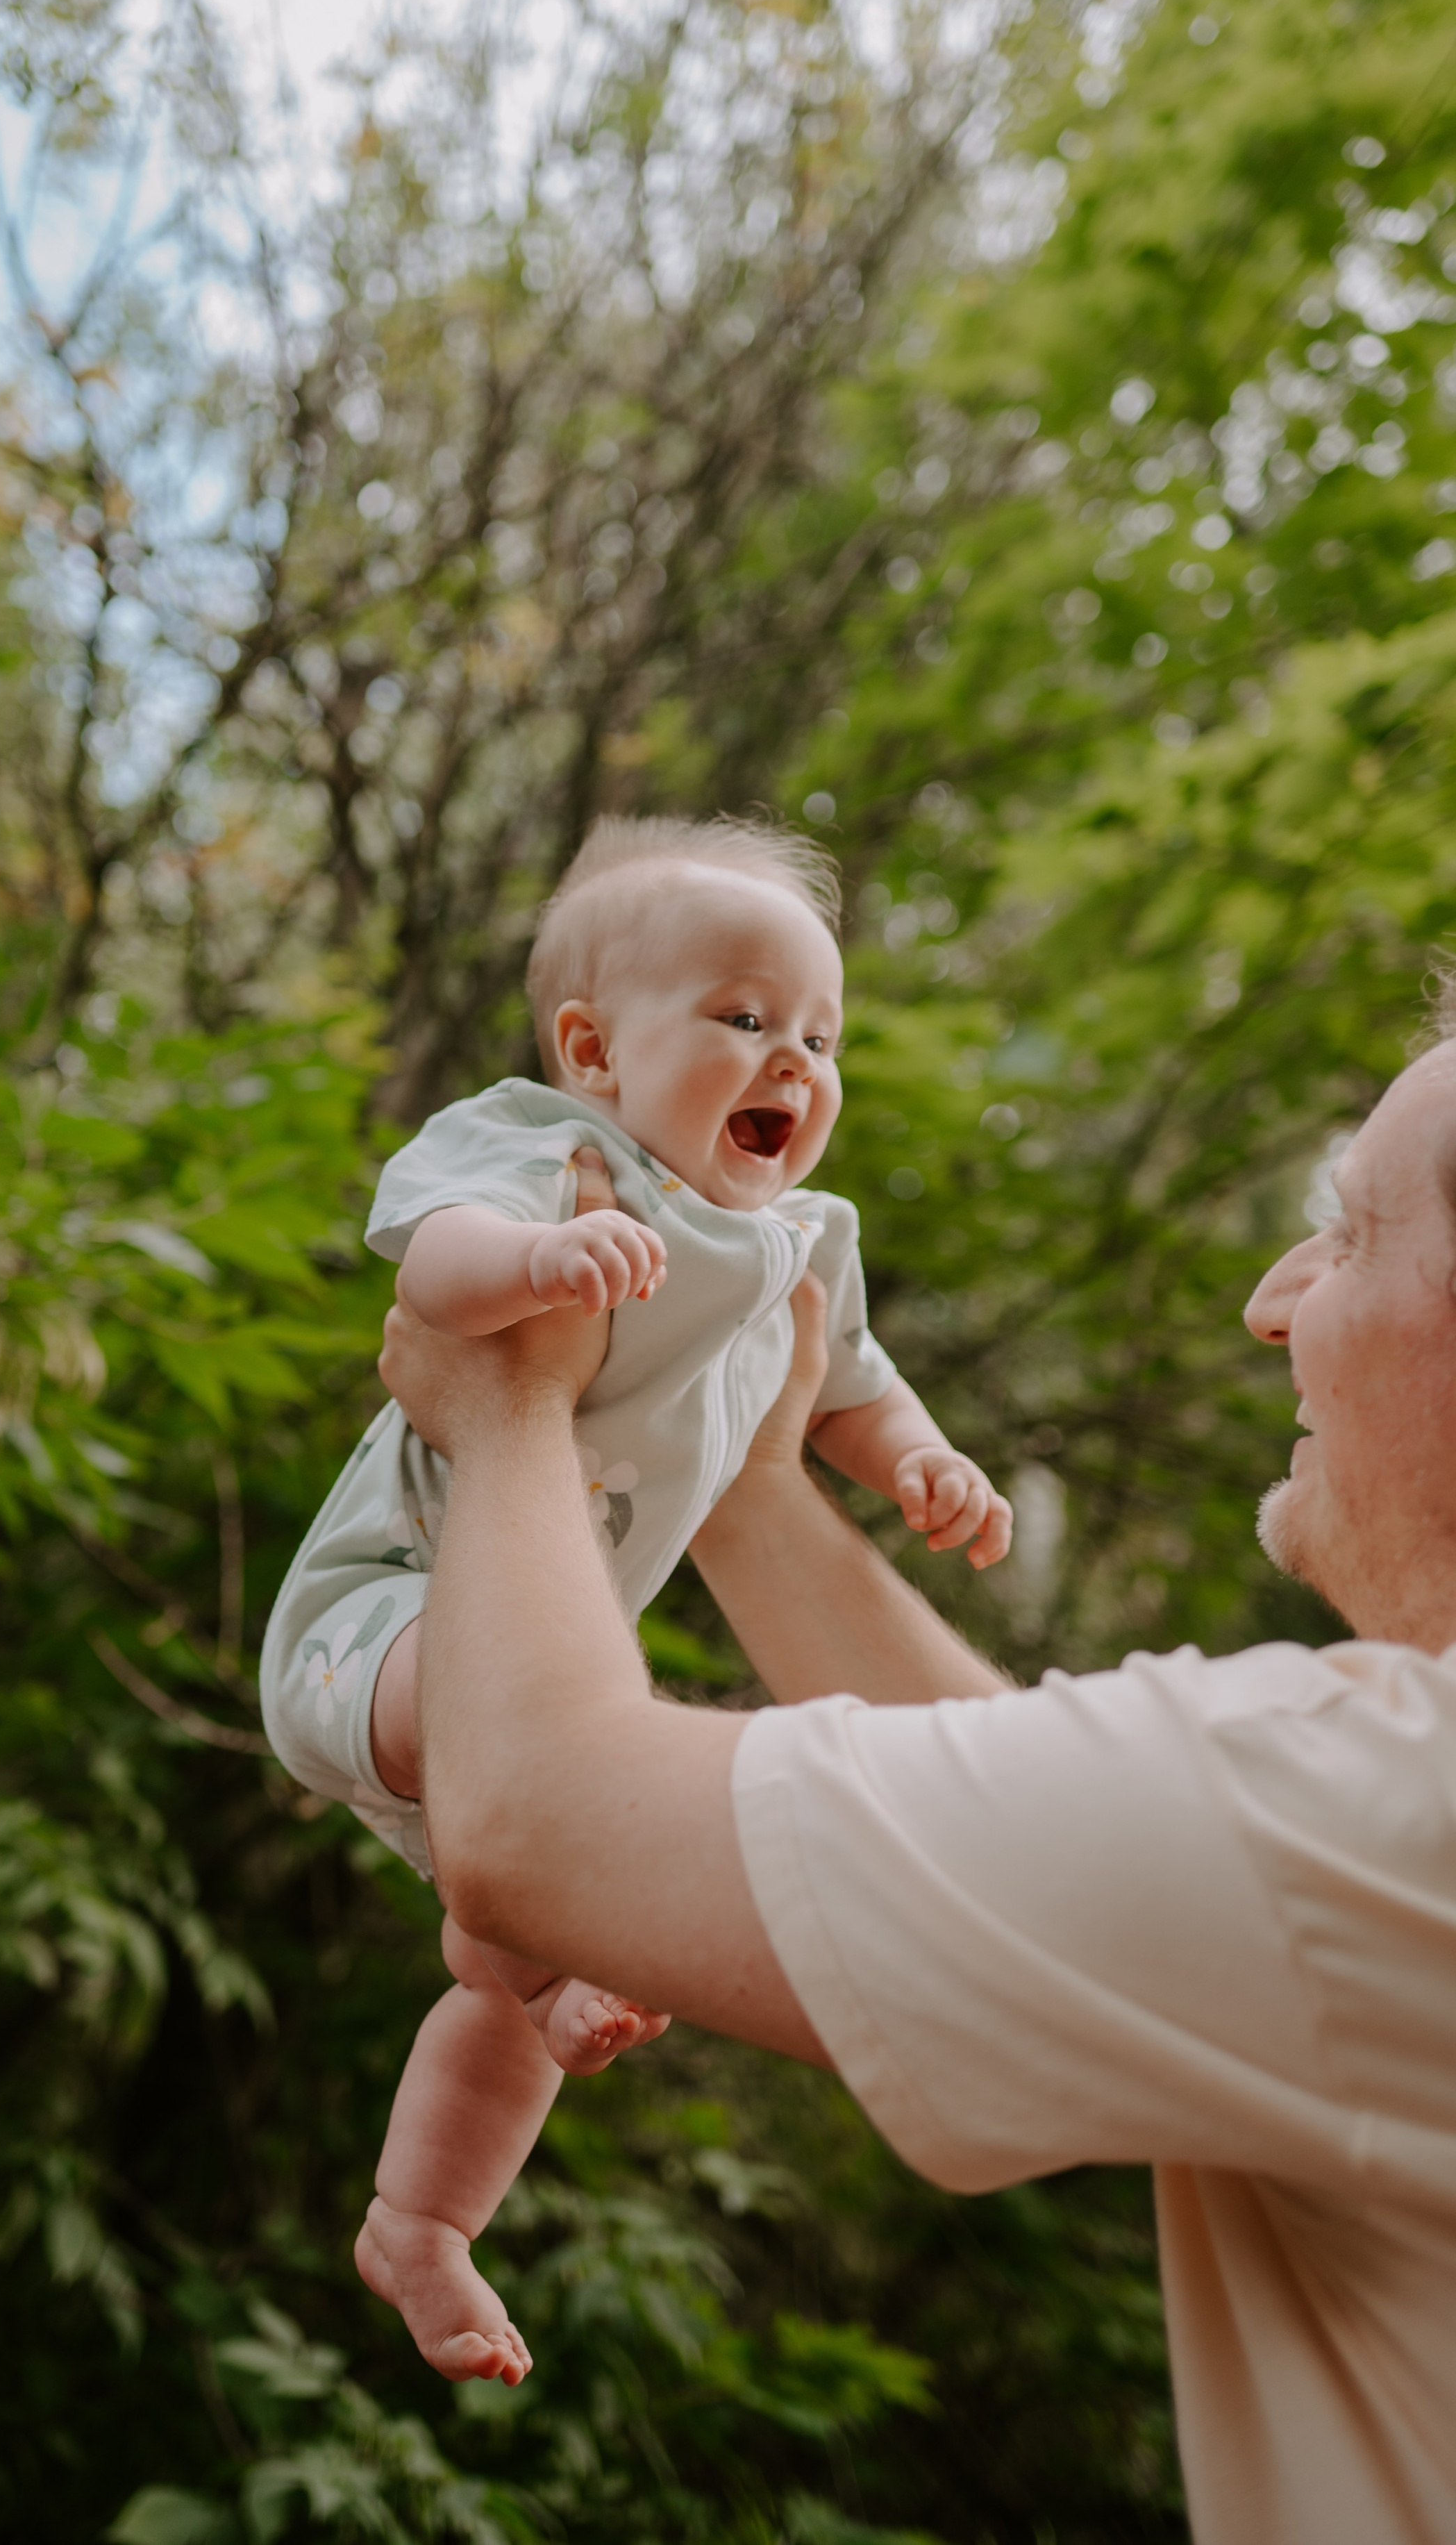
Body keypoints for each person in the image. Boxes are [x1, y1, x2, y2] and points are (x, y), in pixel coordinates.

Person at [378, 1002, 1456, 2545]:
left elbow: (533, 1820)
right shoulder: (1361, 1839)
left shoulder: (1370, 1813)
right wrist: (750, 1496)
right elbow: (1111, 1855)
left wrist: (506, 1407)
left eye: (1348, 1237)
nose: (1270, 1301)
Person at [259, 814, 1010, 2385]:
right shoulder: (542, 1147)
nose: (789, 1060)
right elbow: (431, 1275)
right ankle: (505, 1878)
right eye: (743, 1018)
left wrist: (923, 1461)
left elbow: (847, 1394)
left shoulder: (804, 1237)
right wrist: (541, 1256)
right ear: (592, 1047)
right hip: (382, 1613)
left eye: (818, 1035)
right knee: (539, 1859)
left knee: (539, 1949)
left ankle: (424, 2217)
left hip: (523, 1669)